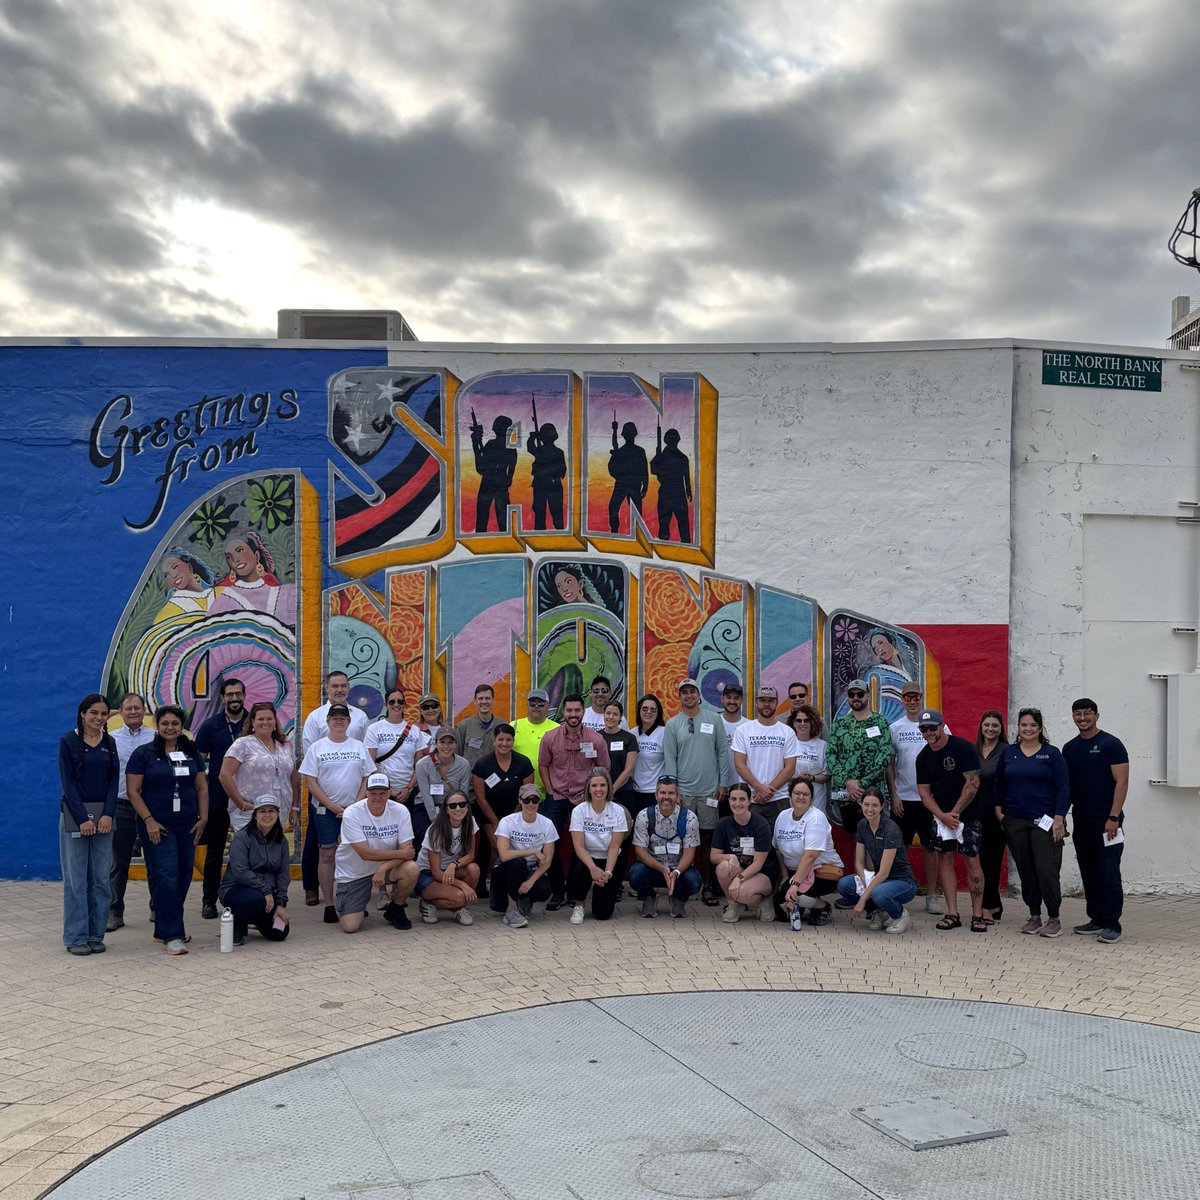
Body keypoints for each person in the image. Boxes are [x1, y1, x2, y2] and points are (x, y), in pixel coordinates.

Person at [126, 704, 209, 955]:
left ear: (182, 727)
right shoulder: (143, 754)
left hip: (187, 824)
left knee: (184, 874)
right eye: (165, 723)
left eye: (175, 724)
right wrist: (149, 820)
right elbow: (133, 791)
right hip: (157, 826)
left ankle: (164, 928)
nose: (170, 728)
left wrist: (203, 818)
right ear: (157, 726)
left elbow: (201, 787)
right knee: (166, 875)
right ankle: (173, 934)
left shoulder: (190, 752)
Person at [995, 707, 1070, 938]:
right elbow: (999, 784)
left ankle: (1054, 918)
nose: (1028, 729)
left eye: (1033, 725)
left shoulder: (1052, 754)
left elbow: (1063, 787)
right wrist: (1000, 814)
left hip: (1045, 821)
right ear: (1018, 727)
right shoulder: (1009, 753)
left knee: (1046, 869)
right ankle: (1034, 915)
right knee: (1026, 870)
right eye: (1024, 725)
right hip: (1015, 821)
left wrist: (1059, 818)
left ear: (1040, 728)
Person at [299, 703, 374, 925]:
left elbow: (367, 777)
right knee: (327, 855)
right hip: (325, 811)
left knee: (356, 853)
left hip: (354, 810)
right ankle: (330, 904)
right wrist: (331, 805)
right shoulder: (317, 748)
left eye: (343, 718)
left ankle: (354, 901)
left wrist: (356, 803)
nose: (339, 721)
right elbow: (310, 781)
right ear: (328, 722)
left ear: (349, 722)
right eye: (335, 718)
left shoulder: (359, 746)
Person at [1062, 698, 1129, 944]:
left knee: (1108, 871)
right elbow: (1068, 787)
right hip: (1082, 820)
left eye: (1087, 713)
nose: (1082, 718)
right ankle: (1097, 919)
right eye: (1078, 714)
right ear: (1073, 717)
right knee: (1089, 870)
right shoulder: (1069, 748)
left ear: (1096, 716)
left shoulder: (1111, 744)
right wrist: (1062, 816)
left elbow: (1122, 782)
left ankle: (1112, 924)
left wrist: (1113, 817)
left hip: (1108, 822)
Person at [58, 694, 119, 955]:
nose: (99, 718)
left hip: (104, 820)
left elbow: (114, 781)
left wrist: (108, 814)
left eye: (103, 713)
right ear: (82, 714)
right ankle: (76, 936)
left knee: (101, 879)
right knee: (77, 880)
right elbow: (68, 782)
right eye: (93, 712)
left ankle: (96, 934)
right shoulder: (68, 741)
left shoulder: (109, 742)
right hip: (75, 818)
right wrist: (82, 818)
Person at [915, 709, 985, 931]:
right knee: (945, 860)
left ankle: (977, 915)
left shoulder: (963, 748)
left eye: (932, 728)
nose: (929, 733)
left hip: (968, 816)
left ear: (942, 725)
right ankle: (952, 913)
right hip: (941, 818)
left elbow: (972, 783)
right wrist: (942, 816)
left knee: (972, 861)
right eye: (924, 729)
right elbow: (924, 793)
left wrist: (954, 812)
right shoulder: (923, 757)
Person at [539, 695, 610, 909]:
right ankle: (557, 892)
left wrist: (593, 795)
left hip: (584, 798)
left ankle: (574, 892)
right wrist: (550, 790)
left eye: (577, 710)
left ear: (583, 712)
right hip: (557, 797)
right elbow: (543, 764)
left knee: (584, 844)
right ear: (564, 712)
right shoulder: (550, 737)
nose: (573, 715)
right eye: (569, 710)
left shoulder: (596, 739)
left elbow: (603, 769)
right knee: (550, 843)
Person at [663, 678, 729, 906]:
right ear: (679, 697)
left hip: (710, 791)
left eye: (692, 691)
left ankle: (708, 887)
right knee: (683, 839)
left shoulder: (714, 719)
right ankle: (682, 885)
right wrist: (673, 791)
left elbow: (722, 752)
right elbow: (670, 758)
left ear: (699, 695)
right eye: (684, 692)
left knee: (708, 838)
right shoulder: (673, 724)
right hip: (684, 793)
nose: (689, 695)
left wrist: (723, 784)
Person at [887, 684, 948, 915]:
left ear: (922, 697)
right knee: (899, 849)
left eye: (916, 696)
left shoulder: (938, 724)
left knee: (930, 848)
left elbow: (947, 755)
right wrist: (894, 795)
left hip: (930, 800)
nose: (912, 701)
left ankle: (931, 896)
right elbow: (890, 765)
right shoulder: (895, 728)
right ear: (902, 699)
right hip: (903, 798)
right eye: (907, 697)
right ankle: (899, 892)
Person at [333, 773, 420, 933]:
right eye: (373, 793)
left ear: (389, 792)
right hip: (355, 873)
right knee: (350, 927)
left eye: (382, 793)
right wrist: (400, 854)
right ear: (366, 793)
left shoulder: (401, 811)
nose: (378, 797)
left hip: (386, 869)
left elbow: (407, 851)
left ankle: (396, 908)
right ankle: (356, 902)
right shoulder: (352, 813)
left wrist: (382, 868)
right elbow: (365, 854)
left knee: (411, 868)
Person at [195, 677, 247, 919]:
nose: (234, 698)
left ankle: (245, 899)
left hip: (247, 793)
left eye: (238, 694)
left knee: (248, 848)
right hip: (218, 793)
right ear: (223, 698)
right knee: (215, 850)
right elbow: (199, 760)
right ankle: (209, 901)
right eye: (230, 694)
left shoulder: (254, 721)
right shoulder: (210, 726)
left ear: (244, 696)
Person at [834, 787, 917, 934]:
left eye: (875, 805)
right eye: (866, 804)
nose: (870, 809)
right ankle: (879, 912)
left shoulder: (891, 830)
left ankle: (899, 914)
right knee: (844, 884)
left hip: (902, 880)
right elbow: (859, 863)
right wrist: (865, 882)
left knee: (878, 893)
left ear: (881, 807)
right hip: (878, 878)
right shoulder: (862, 825)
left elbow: (884, 872)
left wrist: (863, 899)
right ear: (861, 804)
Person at [107, 691, 155, 932]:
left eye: (137, 708)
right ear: (121, 712)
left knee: (155, 860)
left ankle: (158, 908)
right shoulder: (111, 739)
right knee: (118, 862)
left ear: (144, 711)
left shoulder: (156, 738)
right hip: (122, 807)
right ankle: (114, 912)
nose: (133, 712)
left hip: (152, 808)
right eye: (129, 708)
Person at [470, 722, 533, 897]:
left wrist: (512, 818)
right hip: (489, 813)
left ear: (513, 741)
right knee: (496, 846)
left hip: (515, 812)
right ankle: (486, 881)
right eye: (500, 740)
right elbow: (480, 798)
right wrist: (496, 822)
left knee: (511, 847)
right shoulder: (483, 764)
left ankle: (507, 882)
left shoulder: (523, 762)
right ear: (494, 741)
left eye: (508, 740)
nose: (504, 743)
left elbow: (526, 794)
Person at [217, 796, 292, 946]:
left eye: (271, 811)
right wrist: (266, 890)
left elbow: (283, 873)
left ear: (277, 814)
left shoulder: (282, 841)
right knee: (255, 900)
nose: (267, 815)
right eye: (262, 811)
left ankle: (254, 917)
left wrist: (281, 904)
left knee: (279, 932)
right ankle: (237, 925)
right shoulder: (242, 837)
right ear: (255, 815)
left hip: (265, 895)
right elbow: (240, 871)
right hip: (236, 888)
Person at [219, 701, 299, 834]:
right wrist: (240, 803)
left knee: (273, 846)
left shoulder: (284, 746)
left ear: (275, 722)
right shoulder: (242, 744)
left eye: (269, 719)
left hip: (279, 810)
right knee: (251, 846)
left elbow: (294, 776)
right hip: (250, 811)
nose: (265, 722)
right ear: (253, 723)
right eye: (261, 719)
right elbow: (224, 775)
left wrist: (295, 807)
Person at [826, 678, 893, 833]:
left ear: (868, 695)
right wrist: (847, 782)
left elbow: (884, 757)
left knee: (875, 836)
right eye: (852, 695)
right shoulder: (840, 724)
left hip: (872, 794)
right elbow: (831, 755)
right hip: (846, 794)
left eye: (860, 694)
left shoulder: (880, 722)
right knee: (855, 837)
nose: (856, 698)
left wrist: (861, 785)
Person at [774, 779, 842, 927]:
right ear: (790, 796)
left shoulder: (816, 818)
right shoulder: (783, 816)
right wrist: (785, 876)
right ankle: (804, 902)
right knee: (780, 911)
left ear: (811, 797)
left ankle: (821, 906)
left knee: (789, 893)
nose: (801, 797)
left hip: (821, 872)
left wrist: (794, 885)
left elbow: (810, 856)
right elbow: (778, 850)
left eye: (805, 794)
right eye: (796, 793)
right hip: (794, 872)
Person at [630, 776, 701, 918]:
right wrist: (662, 869)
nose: (666, 797)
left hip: (679, 869)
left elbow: (689, 854)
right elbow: (640, 851)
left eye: (671, 793)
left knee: (695, 881)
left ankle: (678, 898)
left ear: (678, 796)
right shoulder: (644, 816)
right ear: (656, 795)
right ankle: (648, 897)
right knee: (635, 874)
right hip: (653, 868)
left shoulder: (689, 818)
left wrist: (676, 872)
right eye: (662, 793)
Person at [492, 783, 559, 928]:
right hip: (507, 868)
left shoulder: (547, 824)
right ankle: (511, 908)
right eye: (526, 800)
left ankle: (524, 900)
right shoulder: (507, 821)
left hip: (530, 870)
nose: (530, 804)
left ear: (540, 801)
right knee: (518, 863)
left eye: (535, 800)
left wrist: (531, 881)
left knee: (544, 889)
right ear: (520, 800)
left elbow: (547, 860)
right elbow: (504, 855)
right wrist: (532, 851)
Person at [566, 768, 627, 924]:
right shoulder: (579, 811)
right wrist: (593, 868)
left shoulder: (618, 811)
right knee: (579, 867)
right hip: (586, 858)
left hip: (609, 859)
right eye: (594, 785)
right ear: (588, 788)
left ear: (609, 787)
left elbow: (614, 846)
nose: (598, 789)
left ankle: (600, 891)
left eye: (602, 785)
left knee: (603, 914)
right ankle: (579, 904)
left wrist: (608, 872)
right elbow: (579, 847)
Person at [731, 684, 799, 824]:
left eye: (770, 700)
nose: (766, 704)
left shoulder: (787, 732)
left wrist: (767, 792)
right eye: (762, 700)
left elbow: (790, 768)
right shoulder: (743, 730)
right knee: (749, 838)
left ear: (777, 702)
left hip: (779, 798)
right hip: (750, 797)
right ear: (756, 702)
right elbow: (739, 764)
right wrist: (759, 788)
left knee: (779, 838)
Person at [710, 781, 777, 923]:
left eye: (742, 799)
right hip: (740, 869)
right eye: (733, 799)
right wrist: (731, 856)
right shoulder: (723, 824)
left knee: (742, 893)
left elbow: (758, 863)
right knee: (722, 867)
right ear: (729, 800)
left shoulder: (760, 824)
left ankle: (764, 901)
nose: (737, 803)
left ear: (749, 801)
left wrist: (738, 878)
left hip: (762, 873)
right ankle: (733, 904)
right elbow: (714, 856)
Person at [416, 789, 480, 925]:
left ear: (467, 806)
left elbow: (470, 855)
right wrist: (463, 885)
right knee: (460, 896)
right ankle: (427, 902)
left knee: (474, 869)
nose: (458, 808)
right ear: (446, 810)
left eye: (462, 804)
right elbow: (436, 872)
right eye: (452, 805)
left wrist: (453, 864)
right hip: (427, 873)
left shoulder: (470, 821)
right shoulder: (435, 830)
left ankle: (457, 907)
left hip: (450, 869)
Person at [208, 528, 296, 623]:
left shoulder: (286, 594)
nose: (235, 559)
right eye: (229, 557)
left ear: (256, 555)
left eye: (240, 550)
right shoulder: (225, 599)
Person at [365, 687, 426, 808]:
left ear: (404, 704)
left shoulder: (414, 731)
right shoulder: (374, 729)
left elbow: (419, 766)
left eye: (400, 701)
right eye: (392, 702)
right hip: (381, 791)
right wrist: (388, 789)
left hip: (408, 792)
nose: (396, 705)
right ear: (386, 705)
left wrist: (408, 788)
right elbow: (370, 764)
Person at [413, 726, 472, 849]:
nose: (446, 746)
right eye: (442, 742)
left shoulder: (464, 764)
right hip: (427, 806)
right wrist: (436, 822)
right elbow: (426, 796)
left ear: (455, 744)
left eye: (450, 742)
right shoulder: (423, 764)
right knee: (429, 839)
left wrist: (456, 817)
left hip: (453, 806)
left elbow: (463, 795)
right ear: (436, 743)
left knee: (461, 838)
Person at [974, 710, 1008, 924]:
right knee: (979, 861)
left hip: (996, 813)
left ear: (1001, 729)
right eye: (987, 725)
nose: (990, 729)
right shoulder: (973, 750)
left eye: (995, 725)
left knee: (992, 861)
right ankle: (995, 904)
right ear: (981, 727)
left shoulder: (1007, 751)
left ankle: (987, 906)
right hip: (975, 813)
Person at [471, 413, 517, 533]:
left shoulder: (495, 445)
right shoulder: (509, 447)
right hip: (497, 481)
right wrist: (476, 443)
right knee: (499, 516)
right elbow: (512, 465)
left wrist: (476, 443)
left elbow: (481, 466)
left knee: (487, 515)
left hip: (490, 481)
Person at [512, 688, 559, 797]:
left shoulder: (557, 729)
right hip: (517, 792)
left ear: (548, 706)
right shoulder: (514, 726)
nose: (536, 706)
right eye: (532, 703)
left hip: (549, 793)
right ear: (527, 705)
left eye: (541, 703)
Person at [786, 705, 830, 816]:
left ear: (812, 722)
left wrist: (812, 778)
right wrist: (796, 777)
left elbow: (827, 776)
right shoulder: (787, 744)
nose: (802, 724)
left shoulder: (823, 746)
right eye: (799, 720)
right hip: (792, 800)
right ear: (793, 723)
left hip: (817, 800)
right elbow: (780, 773)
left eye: (806, 720)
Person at [650, 426, 692, 542]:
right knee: (683, 527)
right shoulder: (683, 458)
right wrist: (688, 492)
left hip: (665, 495)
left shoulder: (662, 457)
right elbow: (686, 478)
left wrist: (657, 456)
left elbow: (653, 470)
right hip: (679, 495)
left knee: (664, 528)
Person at [608, 419, 648, 532]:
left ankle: (626, 532)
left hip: (627, 484)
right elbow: (644, 471)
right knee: (614, 507)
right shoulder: (636, 451)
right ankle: (615, 531)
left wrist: (645, 486)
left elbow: (644, 470)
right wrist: (645, 486)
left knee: (616, 507)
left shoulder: (630, 451)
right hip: (630, 484)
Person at [154, 547, 216, 619]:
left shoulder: (214, 592)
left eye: (175, 567)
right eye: (166, 575)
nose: (173, 575)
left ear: (189, 566)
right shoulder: (172, 602)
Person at [630, 694, 667, 813]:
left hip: (655, 793)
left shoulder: (665, 733)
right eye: (645, 708)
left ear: (658, 712)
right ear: (639, 711)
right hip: (634, 791)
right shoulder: (632, 734)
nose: (648, 712)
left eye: (653, 709)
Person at [527, 421, 566, 530]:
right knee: (545, 512)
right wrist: (532, 438)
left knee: (549, 512)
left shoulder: (544, 451)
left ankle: (557, 532)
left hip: (547, 483)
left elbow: (561, 470)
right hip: (548, 484)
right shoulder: (556, 452)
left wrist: (532, 437)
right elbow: (562, 470)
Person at [601, 701, 639, 809]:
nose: (611, 717)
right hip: (600, 791)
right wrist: (603, 788)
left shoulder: (630, 738)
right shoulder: (596, 737)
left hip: (624, 791)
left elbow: (629, 769)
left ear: (621, 716)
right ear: (603, 714)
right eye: (608, 713)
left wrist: (612, 789)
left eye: (615, 714)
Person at [456, 683, 502, 770]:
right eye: (480, 698)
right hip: (470, 777)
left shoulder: (502, 725)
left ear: (493, 700)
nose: (484, 702)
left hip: (495, 776)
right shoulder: (463, 726)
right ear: (475, 701)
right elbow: (457, 756)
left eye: (487, 698)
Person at [719, 682, 749, 790]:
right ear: (722, 699)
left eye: (736, 698)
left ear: (742, 701)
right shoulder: (715, 723)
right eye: (729, 697)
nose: (732, 701)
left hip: (742, 787)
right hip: (718, 786)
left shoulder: (749, 726)